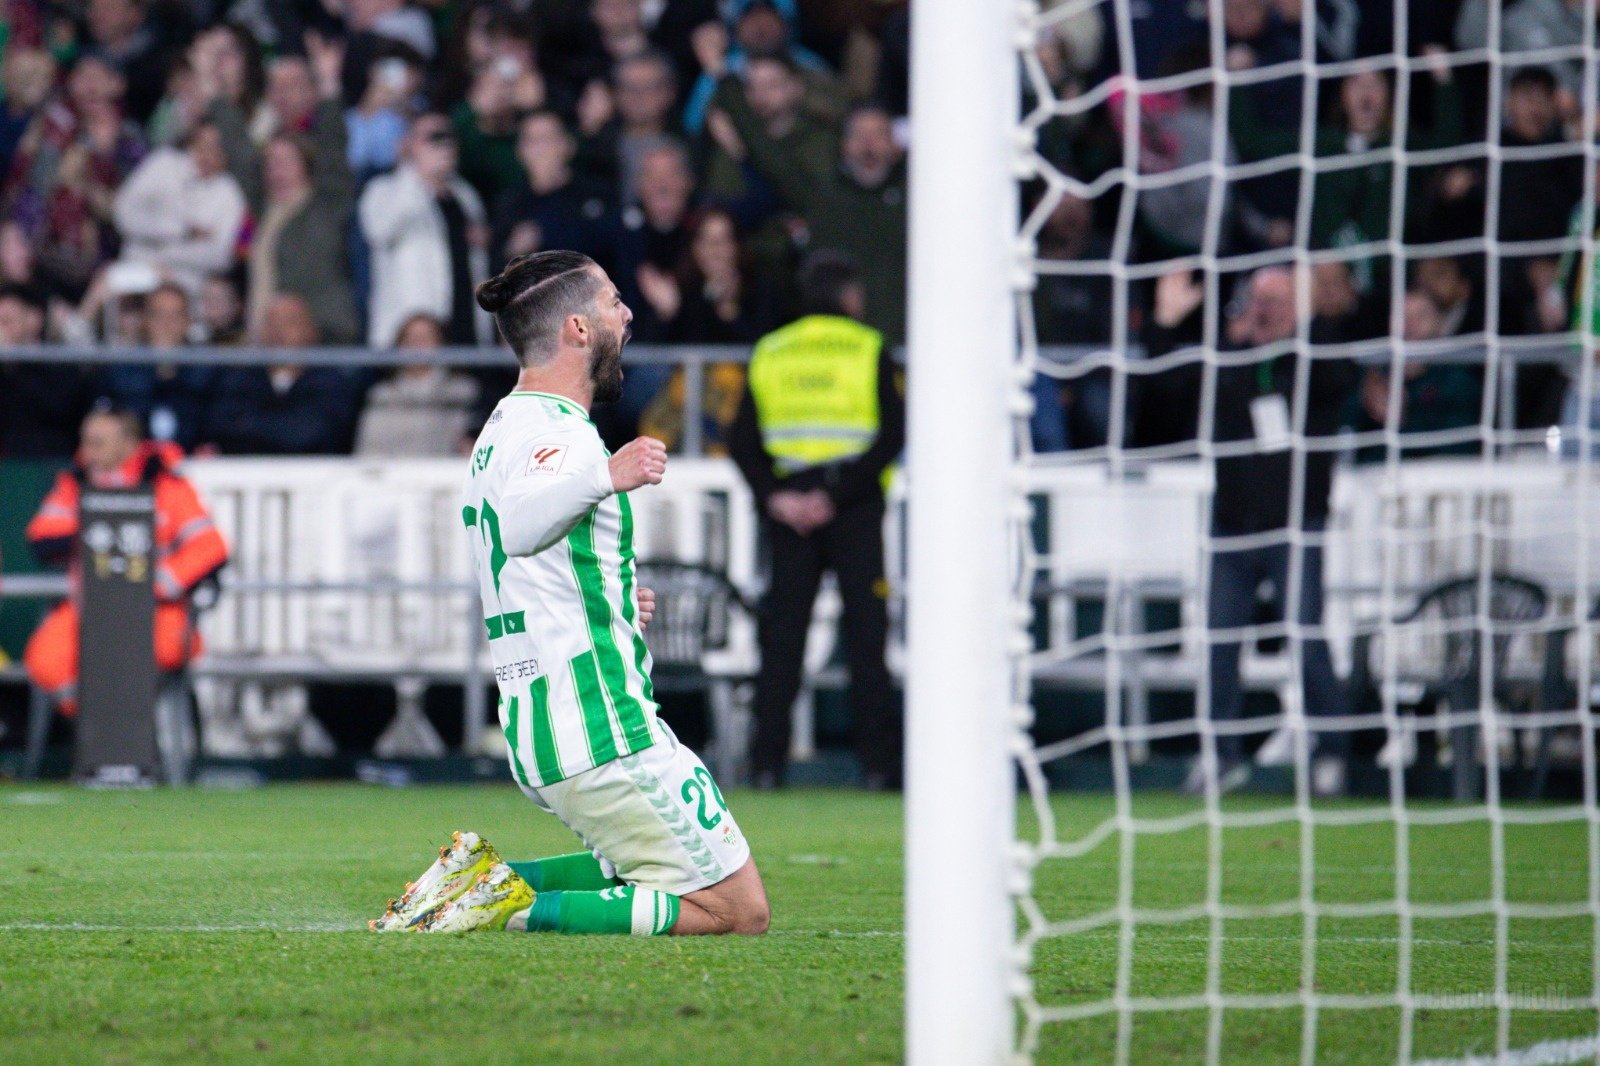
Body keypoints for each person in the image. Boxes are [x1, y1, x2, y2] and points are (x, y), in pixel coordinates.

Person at [370, 248, 769, 938]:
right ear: (578, 329)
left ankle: (480, 884)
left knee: (650, 874)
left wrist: (613, 600)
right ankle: (499, 913)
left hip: (553, 721)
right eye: (614, 300)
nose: (628, 312)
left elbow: (536, 556)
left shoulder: (504, 428)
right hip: (602, 726)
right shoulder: (564, 439)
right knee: (737, 912)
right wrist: (606, 475)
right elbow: (524, 527)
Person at [1148, 266, 1355, 797]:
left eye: (1278, 300)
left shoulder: (1315, 360)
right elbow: (1168, 389)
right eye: (1257, 299)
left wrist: (1304, 326)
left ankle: (1331, 751)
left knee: (1306, 640)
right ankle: (1221, 754)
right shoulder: (1230, 360)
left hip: (1295, 526)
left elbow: (1339, 379)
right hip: (1232, 527)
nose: (1264, 310)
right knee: (1218, 644)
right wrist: (1168, 325)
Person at [727, 252, 904, 789]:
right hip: (851, 508)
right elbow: (892, 436)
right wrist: (837, 495)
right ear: (850, 297)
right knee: (866, 639)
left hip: (790, 511)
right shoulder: (870, 348)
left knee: (781, 641)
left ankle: (765, 766)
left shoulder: (771, 351)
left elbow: (741, 440)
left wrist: (776, 498)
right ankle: (878, 768)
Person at [23, 405, 229, 717]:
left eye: (98, 443)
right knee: (47, 657)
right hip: (90, 606)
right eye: (85, 441)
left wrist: (154, 583)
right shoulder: (76, 483)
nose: (87, 452)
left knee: (139, 654)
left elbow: (210, 547)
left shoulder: (165, 483)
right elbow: (43, 539)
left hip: (156, 610)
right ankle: (100, 728)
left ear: (129, 444)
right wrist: (97, 526)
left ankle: (135, 739)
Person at [359, 112, 492, 350]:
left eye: (447, 137)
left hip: (466, 333)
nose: (442, 145)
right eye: (432, 138)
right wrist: (417, 174)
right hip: (408, 337)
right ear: (409, 145)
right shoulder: (384, 190)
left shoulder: (466, 195)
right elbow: (378, 230)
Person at [202, 294, 360, 454]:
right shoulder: (237, 379)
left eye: (290, 322)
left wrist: (252, 427)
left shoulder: (332, 384)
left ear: (311, 331)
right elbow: (221, 428)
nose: (278, 331)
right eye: (271, 322)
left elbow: (315, 435)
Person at [353, 313, 480, 456]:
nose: (417, 345)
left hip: (447, 475)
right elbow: (368, 452)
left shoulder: (462, 391)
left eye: (425, 338)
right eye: (410, 339)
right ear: (399, 346)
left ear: (440, 343)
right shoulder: (381, 395)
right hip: (393, 475)